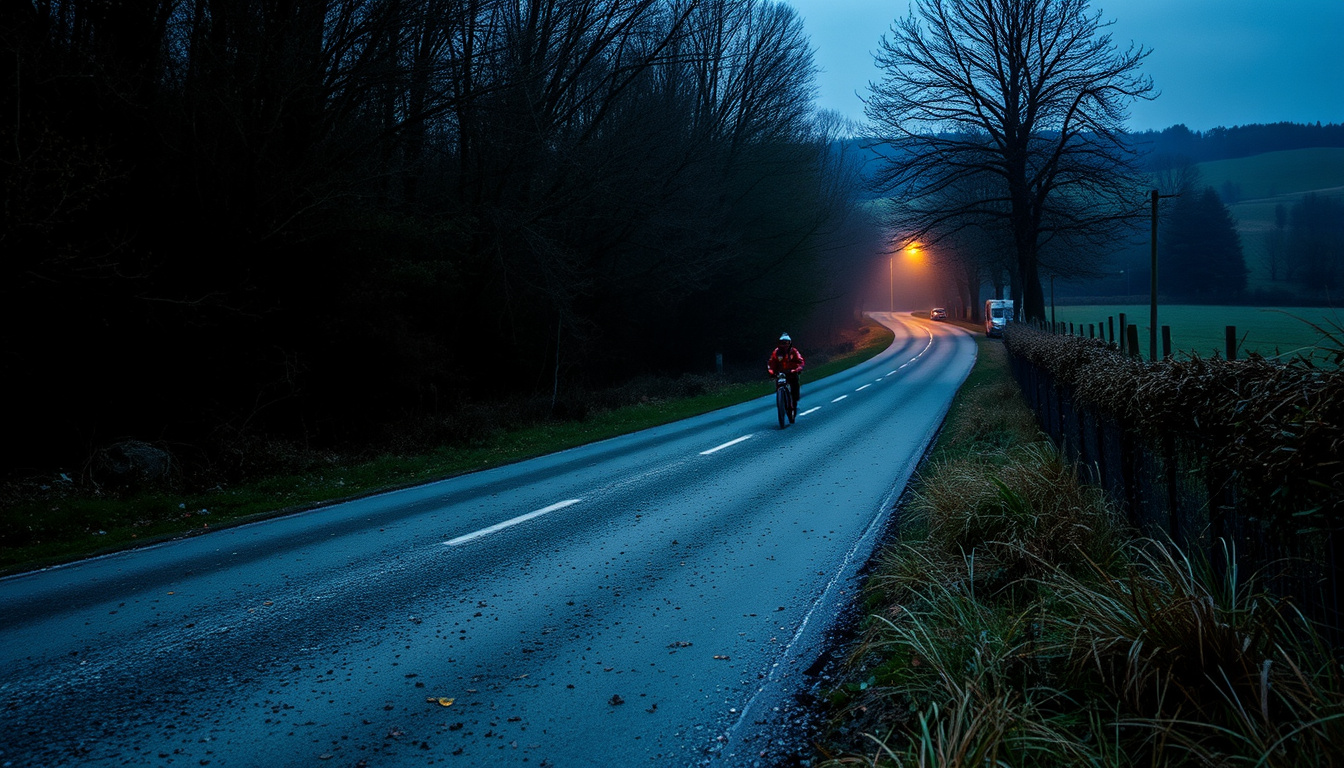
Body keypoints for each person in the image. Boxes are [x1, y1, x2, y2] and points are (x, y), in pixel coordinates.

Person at [767, 333, 805, 412]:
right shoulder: (776, 352)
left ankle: (794, 402)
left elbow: (800, 361)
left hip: (791, 372)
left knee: (795, 385)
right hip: (781, 373)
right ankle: (781, 400)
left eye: (787, 342)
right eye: (783, 342)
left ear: (790, 343)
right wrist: (772, 372)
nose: (785, 345)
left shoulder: (793, 351)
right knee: (779, 384)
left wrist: (797, 369)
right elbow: (771, 363)